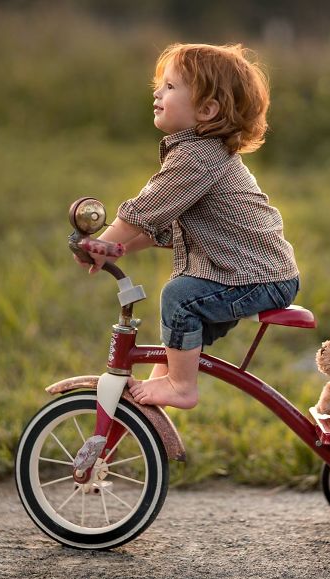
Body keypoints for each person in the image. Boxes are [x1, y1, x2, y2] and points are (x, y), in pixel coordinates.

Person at [78, 43, 299, 409]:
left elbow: (146, 207)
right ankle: (166, 383)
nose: (157, 92)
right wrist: (116, 249)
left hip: (259, 278)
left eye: (170, 87)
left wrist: (101, 240)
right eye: (159, 85)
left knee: (179, 297)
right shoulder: (197, 153)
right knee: (180, 322)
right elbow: (158, 225)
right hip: (255, 274)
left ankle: (181, 386)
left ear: (207, 109)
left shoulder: (198, 156)